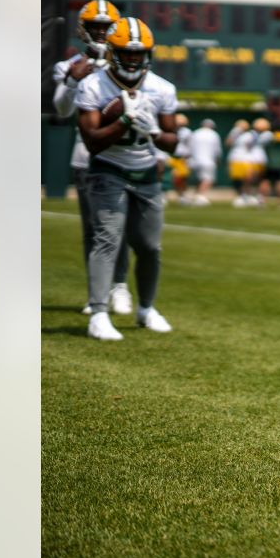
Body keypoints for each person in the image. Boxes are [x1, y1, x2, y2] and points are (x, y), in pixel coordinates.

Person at [75, 17, 178, 340]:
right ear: (113, 52)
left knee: (149, 246)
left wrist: (154, 130)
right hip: (108, 167)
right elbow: (92, 141)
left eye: (139, 53)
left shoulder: (162, 88)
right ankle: (99, 313)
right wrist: (124, 121)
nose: (133, 59)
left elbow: (173, 142)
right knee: (107, 239)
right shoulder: (93, 85)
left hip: (145, 169)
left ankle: (146, 309)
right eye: (127, 52)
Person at [52, 0, 133, 317]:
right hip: (87, 155)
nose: (100, 31)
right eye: (95, 26)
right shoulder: (69, 65)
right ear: (83, 29)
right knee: (94, 231)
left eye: (106, 26)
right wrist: (73, 79)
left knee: (120, 228)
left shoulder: (128, 59)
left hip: (123, 155)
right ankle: (96, 292)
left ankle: (120, 286)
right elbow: (61, 110)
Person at [187, 118, 222, 205]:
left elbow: (189, 148)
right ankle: (201, 196)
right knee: (207, 179)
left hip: (195, 161)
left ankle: (197, 195)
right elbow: (217, 150)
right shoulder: (214, 135)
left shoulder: (195, 133)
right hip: (208, 161)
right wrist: (217, 160)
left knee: (199, 179)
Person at [225, 119, 255, 207]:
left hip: (246, 159)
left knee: (248, 178)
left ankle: (248, 195)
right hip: (235, 158)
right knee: (237, 179)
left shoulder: (249, 135)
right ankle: (240, 196)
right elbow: (228, 143)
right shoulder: (234, 133)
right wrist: (234, 134)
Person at [169, 113, 193, 205]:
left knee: (181, 179)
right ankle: (163, 195)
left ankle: (182, 196)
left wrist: (187, 158)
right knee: (166, 177)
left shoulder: (187, 132)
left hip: (181, 158)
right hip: (170, 156)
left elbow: (190, 146)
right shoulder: (170, 130)